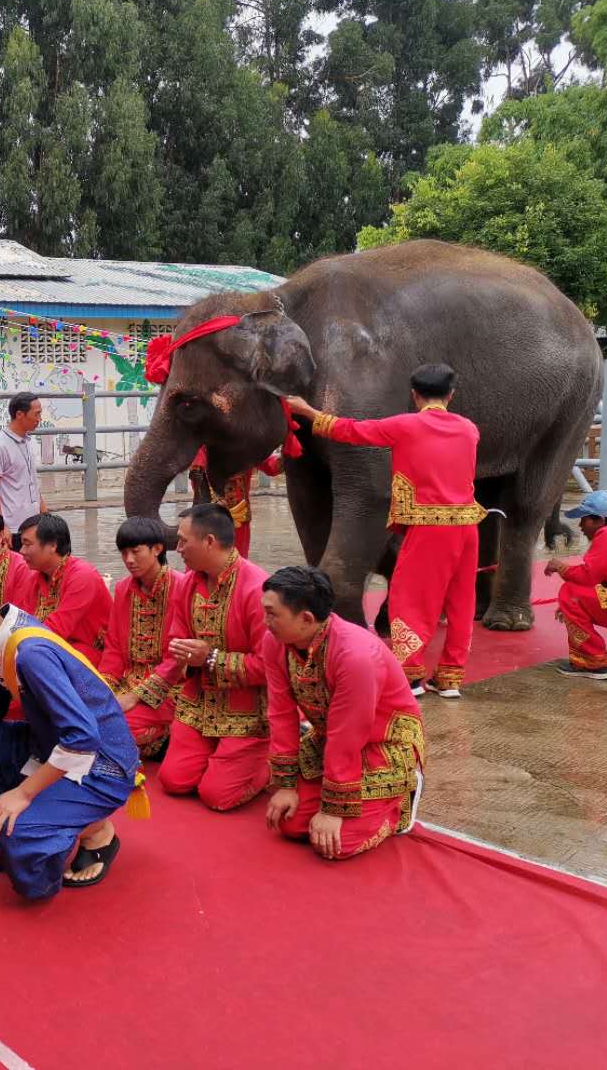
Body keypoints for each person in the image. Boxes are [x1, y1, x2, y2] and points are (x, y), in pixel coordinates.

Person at [0, 563, 144, 899]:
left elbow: (82, 739)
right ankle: (27, 822)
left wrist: (22, 794)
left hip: (101, 764)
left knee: (18, 839)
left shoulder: (30, 653)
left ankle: (95, 832)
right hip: (51, 743)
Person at [287, 363, 484, 698]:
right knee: (462, 600)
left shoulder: (405, 426)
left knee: (411, 598)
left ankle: (411, 675)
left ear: (414, 395)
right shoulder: (469, 429)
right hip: (467, 527)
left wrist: (306, 411)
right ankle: (451, 677)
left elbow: (350, 430)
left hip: (429, 528)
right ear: (451, 395)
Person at [261, 566, 425, 860]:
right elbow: (281, 714)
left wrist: (333, 809)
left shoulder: (355, 656)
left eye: (273, 614)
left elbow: (348, 734)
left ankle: (400, 802)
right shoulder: (275, 642)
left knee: (337, 845)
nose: (265, 621)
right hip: (330, 738)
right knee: (291, 824)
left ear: (306, 618)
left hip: (383, 743)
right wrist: (285, 785)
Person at [157, 504, 271, 808]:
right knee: (173, 780)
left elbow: (269, 666)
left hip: (246, 710)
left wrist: (211, 659)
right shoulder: (188, 583)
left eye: (184, 541)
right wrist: (182, 653)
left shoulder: (256, 588)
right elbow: (175, 638)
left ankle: (268, 761)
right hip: (199, 702)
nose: (178, 549)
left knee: (217, 795)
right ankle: (220, 759)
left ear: (209, 541)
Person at [99, 517, 183, 761]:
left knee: (112, 729)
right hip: (128, 682)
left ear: (157, 549)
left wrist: (134, 697)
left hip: (169, 689)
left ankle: (168, 734)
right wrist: (103, 690)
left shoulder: (182, 587)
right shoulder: (123, 588)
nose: (129, 560)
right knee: (85, 716)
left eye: (135, 551)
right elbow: (114, 648)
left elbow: (176, 661)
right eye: (124, 553)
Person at [544, 490, 607, 679]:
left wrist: (560, 567)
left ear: (600, 520)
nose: (580, 526)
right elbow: (605, 579)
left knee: (570, 592)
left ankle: (591, 662)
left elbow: (588, 576)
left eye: (584, 519)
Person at [19, 513, 111, 666]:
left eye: (27, 544)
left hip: (92, 657)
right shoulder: (35, 578)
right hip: (52, 648)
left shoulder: (82, 575)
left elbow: (57, 628)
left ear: (52, 545)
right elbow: (23, 621)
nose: (22, 551)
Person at [188, 447, 283, 557]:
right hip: (210, 516)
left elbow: (272, 466)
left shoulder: (249, 444)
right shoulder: (205, 443)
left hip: (239, 517)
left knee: (238, 560)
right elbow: (197, 476)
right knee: (204, 559)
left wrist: (288, 453)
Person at [0, 392, 46, 551]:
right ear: (19, 414)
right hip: (13, 528)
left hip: (34, 524)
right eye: (36, 414)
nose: (39, 419)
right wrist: (1, 526)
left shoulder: (27, 441)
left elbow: (32, 483)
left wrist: (45, 515)